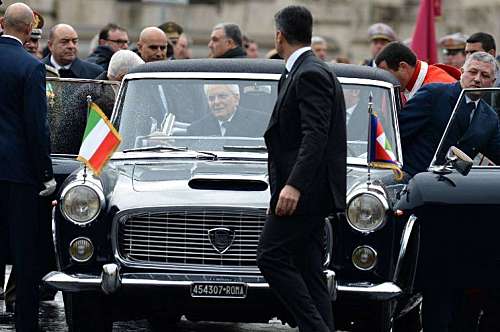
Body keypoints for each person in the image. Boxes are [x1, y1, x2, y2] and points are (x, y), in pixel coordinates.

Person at [256, 5, 346, 332]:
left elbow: (315, 135)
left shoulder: (309, 73)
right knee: (310, 270)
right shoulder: (300, 70)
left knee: (270, 255)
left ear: (279, 35)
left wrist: (294, 185)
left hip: (305, 192)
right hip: (306, 190)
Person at [0, 3, 56, 331]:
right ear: (28, 30)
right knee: (24, 252)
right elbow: (37, 127)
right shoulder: (30, 67)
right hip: (19, 175)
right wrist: (46, 175)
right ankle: (25, 324)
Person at [375, 41, 459, 101]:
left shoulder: (439, 87)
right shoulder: (405, 86)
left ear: (402, 67)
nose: (384, 79)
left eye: (386, 74)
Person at [186, 83, 267, 137]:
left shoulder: (261, 123)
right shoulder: (196, 130)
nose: (216, 102)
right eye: (211, 98)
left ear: (236, 98)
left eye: (222, 96)